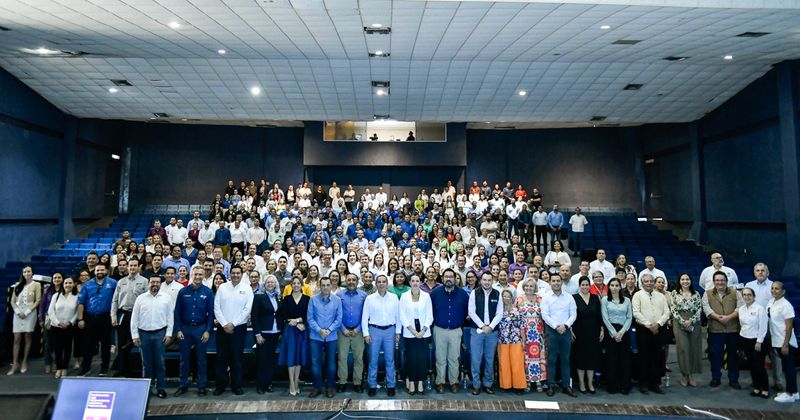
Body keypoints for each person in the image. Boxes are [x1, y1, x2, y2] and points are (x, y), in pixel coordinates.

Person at [174, 267, 215, 397]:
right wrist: (178, 329)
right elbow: (177, 313)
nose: (197, 277)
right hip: (185, 329)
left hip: (200, 328)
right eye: (195, 274)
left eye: (200, 274)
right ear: (192, 275)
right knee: (184, 359)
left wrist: (208, 331)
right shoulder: (183, 291)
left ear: (203, 276)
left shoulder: (208, 292)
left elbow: (211, 314)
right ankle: (183, 385)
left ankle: (202, 385)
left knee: (201, 359)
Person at [212, 266, 254, 396]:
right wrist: (225, 324)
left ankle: (236, 385)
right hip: (222, 328)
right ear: (229, 274)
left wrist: (233, 324)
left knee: (237, 358)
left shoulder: (247, 289)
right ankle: (220, 385)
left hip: (239, 328)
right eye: (233, 273)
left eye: (238, 273)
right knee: (221, 358)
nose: (235, 275)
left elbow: (247, 309)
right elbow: (216, 307)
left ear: (242, 274)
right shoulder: (222, 287)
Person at [131, 275, 174, 399]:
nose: (155, 284)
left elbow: (170, 317)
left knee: (160, 363)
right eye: (152, 282)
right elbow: (134, 318)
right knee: (146, 363)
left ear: (161, 284)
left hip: (160, 333)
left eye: (157, 282)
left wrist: (169, 334)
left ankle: (161, 388)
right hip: (143, 334)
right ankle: (147, 389)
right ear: (148, 283)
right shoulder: (140, 298)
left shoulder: (166, 298)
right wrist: (135, 335)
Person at [430, 269, 469, 393]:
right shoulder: (434, 293)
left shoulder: (463, 294)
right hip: (439, 330)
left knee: (454, 358)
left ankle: (453, 382)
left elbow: (467, 313)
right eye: (446, 276)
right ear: (442, 279)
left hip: (456, 330)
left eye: (451, 277)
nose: (448, 279)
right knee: (440, 358)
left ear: (455, 278)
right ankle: (440, 382)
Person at [745, 263, 783, 391]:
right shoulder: (749, 286)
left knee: (775, 354)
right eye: (757, 270)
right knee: (756, 356)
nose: (760, 272)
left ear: (768, 273)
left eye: (763, 270)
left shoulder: (774, 286)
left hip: (771, 325)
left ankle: (778, 381)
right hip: (754, 328)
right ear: (754, 272)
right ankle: (757, 380)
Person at [362, 274, 402, 397]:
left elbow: (398, 316)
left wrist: (398, 332)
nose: (381, 284)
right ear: (376, 284)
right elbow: (364, 317)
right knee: (373, 360)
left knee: (390, 360)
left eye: (383, 281)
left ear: (387, 283)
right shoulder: (370, 298)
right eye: (379, 281)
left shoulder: (394, 298)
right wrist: (366, 333)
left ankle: (391, 385)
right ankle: (372, 385)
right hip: (374, 330)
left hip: (390, 331)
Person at [702, 271, 743, 389]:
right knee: (715, 355)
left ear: (726, 281)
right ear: (714, 282)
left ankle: (734, 379)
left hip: (733, 330)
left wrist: (729, 317)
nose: (720, 282)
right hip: (715, 330)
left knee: (733, 356)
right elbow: (706, 308)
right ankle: (716, 378)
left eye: (722, 280)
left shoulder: (735, 293)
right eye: (717, 280)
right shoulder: (707, 293)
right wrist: (718, 317)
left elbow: (740, 307)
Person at [632, 274, 670, 394]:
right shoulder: (637, 295)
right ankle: (643, 384)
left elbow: (667, 312)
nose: (649, 283)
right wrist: (649, 325)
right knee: (643, 357)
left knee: (656, 357)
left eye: (651, 281)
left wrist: (658, 324)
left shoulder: (661, 296)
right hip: (643, 330)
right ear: (642, 283)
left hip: (658, 330)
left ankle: (654, 384)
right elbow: (636, 312)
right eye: (646, 281)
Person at [77, 265, 117, 376]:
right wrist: (80, 319)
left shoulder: (113, 283)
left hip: (106, 317)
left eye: (102, 270)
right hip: (90, 317)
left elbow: (117, 300)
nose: (100, 271)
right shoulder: (87, 284)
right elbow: (81, 302)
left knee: (105, 344)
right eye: (97, 270)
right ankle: (86, 368)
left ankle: (104, 368)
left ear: (106, 271)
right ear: (94, 272)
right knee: (88, 344)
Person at [110, 258, 148, 377]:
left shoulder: (144, 281)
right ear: (127, 267)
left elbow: (147, 300)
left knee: (135, 341)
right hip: (123, 314)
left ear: (138, 267)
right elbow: (115, 300)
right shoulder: (121, 282)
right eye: (130, 265)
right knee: (121, 343)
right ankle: (121, 369)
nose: (132, 268)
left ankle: (135, 368)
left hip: (137, 315)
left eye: (134, 265)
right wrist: (113, 316)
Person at [541, 274, 577, 397]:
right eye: (554, 281)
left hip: (566, 331)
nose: (556, 283)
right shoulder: (546, 298)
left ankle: (566, 385)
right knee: (551, 359)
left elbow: (573, 314)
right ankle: (551, 385)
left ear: (562, 282)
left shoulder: (569, 297)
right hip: (552, 331)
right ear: (550, 283)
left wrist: (565, 326)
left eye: (558, 281)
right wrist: (556, 326)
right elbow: (545, 315)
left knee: (566, 359)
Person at [468, 272, 503, 395]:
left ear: (492, 281)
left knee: (489, 359)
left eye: (489, 280)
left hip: (492, 332)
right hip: (477, 331)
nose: (487, 282)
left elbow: (500, 313)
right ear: (481, 280)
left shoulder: (497, 293)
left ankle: (488, 384)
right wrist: (483, 326)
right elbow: (471, 312)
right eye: (484, 280)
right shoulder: (474, 293)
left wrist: (491, 326)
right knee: (476, 359)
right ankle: (476, 385)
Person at [308, 277, 343, 398]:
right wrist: (319, 330)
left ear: (331, 285)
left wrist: (329, 330)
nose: (325, 287)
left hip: (331, 336)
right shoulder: (313, 299)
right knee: (315, 363)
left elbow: (339, 318)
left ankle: (330, 387)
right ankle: (317, 387)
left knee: (331, 363)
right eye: (323, 285)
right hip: (315, 337)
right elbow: (310, 318)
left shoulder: (337, 300)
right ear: (319, 286)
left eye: (328, 285)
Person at [399, 274, 433, 395]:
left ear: (420, 282)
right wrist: (413, 331)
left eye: (417, 281)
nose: (414, 283)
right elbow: (402, 315)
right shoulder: (404, 296)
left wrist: (423, 331)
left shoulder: (426, 296)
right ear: (409, 283)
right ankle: (412, 382)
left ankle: (420, 382)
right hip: (410, 331)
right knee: (411, 358)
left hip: (424, 331)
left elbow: (430, 315)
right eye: (412, 281)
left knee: (422, 359)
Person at [670, 273, 703, 388]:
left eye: (687, 279)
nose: (685, 281)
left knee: (693, 348)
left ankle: (691, 375)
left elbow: (699, 309)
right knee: (683, 349)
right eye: (682, 279)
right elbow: (673, 309)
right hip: (679, 323)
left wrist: (691, 321)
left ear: (690, 281)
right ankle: (684, 374)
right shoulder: (674, 293)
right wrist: (683, 321)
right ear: (679, 281)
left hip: (694, 322)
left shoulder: (696, 294)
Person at [278, 277, 310, 396]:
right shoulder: (286, 298)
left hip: (302, 330)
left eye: (298, 283)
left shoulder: (307, 299)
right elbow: (283, 314)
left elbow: (308, 314)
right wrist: (293, 322)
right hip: (290, 330)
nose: (296, 285)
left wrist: (298, 321)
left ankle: (296, 382)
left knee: (299, 357)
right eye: (294, 283)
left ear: (302, 285)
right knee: (291, 357)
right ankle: (291, 383)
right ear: (291, 285)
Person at [251, 274, 282, 394]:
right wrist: (257, 334)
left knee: (270, 360)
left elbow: (280, 315)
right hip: (263, 333)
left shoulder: (279, 297)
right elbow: (254, 316)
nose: (270, 284)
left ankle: (269, 383)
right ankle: (260, 385)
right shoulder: (259, 297)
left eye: (272, 282)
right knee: (262, 360)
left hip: (275, 333)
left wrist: (281, 331)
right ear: (264, 284)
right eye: (268, 282)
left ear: (276, 284)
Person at [336, 273, 367, 393]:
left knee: (358, 358)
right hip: (342, 330)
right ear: (345, 281)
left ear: (357, 281)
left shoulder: (363, 295)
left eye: (353, 279)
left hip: (358, 332)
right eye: (349, 280)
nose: (351, 282)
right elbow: (337, 314)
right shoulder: (339, 295)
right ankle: (342, 382)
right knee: (342, 358)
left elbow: (366, 315)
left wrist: (358, 329)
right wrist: (343, 328)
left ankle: (357, 382)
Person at [768, 282, 798, 403]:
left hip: (785, 342)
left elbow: (789, 326)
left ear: (783, 291)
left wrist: (785, 344)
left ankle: (791, 394)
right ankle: (794, 392)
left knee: (789, 368)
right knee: (786, 367)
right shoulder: (771, 302)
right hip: (776, 340)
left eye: (777, 289)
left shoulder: (786, 305)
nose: (774, 290)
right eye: (772, 288)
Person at [8, 266, 41, 375]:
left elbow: (38, 300)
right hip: (18, 313)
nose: (27, 273)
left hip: (30, 312)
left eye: (29, 271)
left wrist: (27, 312)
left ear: (32, 273)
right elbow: (12, 301)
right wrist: (18, 312)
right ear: (22, 273)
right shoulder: (18, 285)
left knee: (27, 336)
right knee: (16, 338)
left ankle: (24, 361)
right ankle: (15, 362)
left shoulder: (36, 284)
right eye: (25, 271)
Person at [572, 276, 603, 393]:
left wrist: (602, 329)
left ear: (589, 286)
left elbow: (599, 315)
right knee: (581, 358)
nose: (584, 287)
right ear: (579, 286)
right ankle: (581, 383)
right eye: (582, 285)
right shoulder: (574, 298)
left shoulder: (595, 298)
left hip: (593, 332)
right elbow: (571, 315)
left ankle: (590, 383)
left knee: (591, 358)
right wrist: (570, 329)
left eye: (586, 285)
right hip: (579, 332)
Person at [601, 278, 632, 394]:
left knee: (624, 360)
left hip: (624, 332)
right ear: (609, 287)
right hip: (611, 332)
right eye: (612, 285)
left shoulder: (627, 301)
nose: (614, 287)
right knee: (612, 360)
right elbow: (605, 318)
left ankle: (625, 385)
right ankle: (612, 386)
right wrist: (614, 333)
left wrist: (622, 332)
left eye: (616, 285)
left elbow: (629, 317)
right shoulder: (605, 300)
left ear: (620, 287)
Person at [515, 280, 546, 391]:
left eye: (531, 286)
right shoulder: (519, 299)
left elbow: (545, 315)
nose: (529, 287)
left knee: (538, 357)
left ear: (535, 287)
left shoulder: (540, 299)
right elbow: (515, 316)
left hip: (538, 333)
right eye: (527, 285)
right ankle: (527, 380)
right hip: (524, 333)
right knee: (526, 357)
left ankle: (538, 380)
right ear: (523, 287)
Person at [738, 287, 769, 398]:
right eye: (744, 295)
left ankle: (765, 388)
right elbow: (742, 326)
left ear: (754, 296)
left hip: (757, 341)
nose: (747, 297)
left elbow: (763, 327)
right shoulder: (741, 309)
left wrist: (759, 342)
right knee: (751, 366)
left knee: (759, 366)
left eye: (749, 294)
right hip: (745, 339)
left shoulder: (760, 309)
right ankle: (756, 388)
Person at [47, 276, 78, 379]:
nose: (68, 285)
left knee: (68, 348)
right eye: (66, 283)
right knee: (57, 348)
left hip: (69, 327)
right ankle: (59, 368)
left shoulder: (76, 296)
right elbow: (51, 311)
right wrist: (58, 323)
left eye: (70, 283)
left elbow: (77, 312)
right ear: (63, 284)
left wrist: (70, 322)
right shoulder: (56, 296)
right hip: (56, 326)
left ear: (73, 284)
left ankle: (65, 368)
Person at [497, 289, 527, 393]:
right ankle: (506, 385)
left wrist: (524, 340)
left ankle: (519, 386)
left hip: (516, 339)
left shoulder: (517, 310)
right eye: (504, 296)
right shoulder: (498, 310)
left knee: (517, 363)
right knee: (504, 363)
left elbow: (522, 326)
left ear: (511, 298)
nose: (506, 298)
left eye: (508, 296)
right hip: (502, 340)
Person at [39, 272, 64, 375]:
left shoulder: (65, 289)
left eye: (59, 277)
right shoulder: (47, 290)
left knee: (58, 343)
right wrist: (41, 319)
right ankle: (48, 363)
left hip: (61, 319)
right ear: (52, 279)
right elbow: (42, 305)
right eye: (55, 278)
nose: (57, 279)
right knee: (48, 343)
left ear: (62, 279)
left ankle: (56, 363)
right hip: (49, 319)